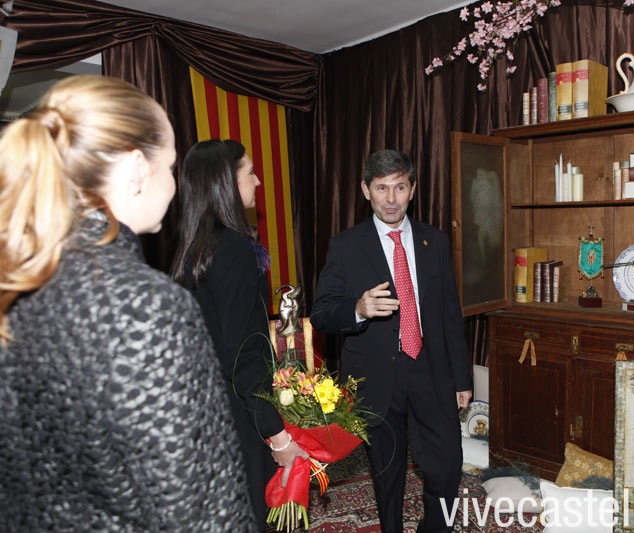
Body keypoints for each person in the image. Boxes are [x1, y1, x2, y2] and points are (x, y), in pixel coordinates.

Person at [0, 75, 256, 530]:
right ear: (138, 168)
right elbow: (200, 505)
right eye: (170, 167)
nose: (175, 188)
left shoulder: (16, 283)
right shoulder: (147, 307)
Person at [311, 149, 473, 532]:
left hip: (430, 370)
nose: (391, 199)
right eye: (381, 188)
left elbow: (450, 314)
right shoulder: (346, 246)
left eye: (399, 187)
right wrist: (358, 309)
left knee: (447, 465)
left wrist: (462, 378)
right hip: (376, 376)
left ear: (412, 189)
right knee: (388, 474)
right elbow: (321, 314)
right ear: (365, 190)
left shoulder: (435, 241)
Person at [170, 139, 307, 527]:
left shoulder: (195, 245)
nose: (258, 181)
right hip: (237, 415)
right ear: (226, 183)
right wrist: (277, 435)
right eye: (250, 172)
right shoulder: (232, 248)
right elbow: (242, 355)